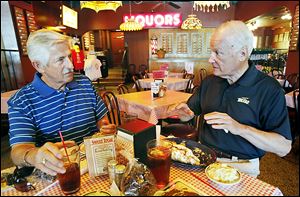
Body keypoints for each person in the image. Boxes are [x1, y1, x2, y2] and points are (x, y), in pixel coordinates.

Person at [167, 20, 292, 177]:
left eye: (218, 53)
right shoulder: (210, 82)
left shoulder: (269, 89)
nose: (210, 59)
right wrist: (186, 115)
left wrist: (240, 128)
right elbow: (191, 112)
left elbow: (284, 147)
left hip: (242, 166)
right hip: (202, 156)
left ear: (242, 53)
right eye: (212, 52)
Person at [8, 29, 116, 176]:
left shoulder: (84, 82)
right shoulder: (22, 102)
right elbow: (18, 151)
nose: (71, 65)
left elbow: (101, 119)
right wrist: (34, 155)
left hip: (96, 164)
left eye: (69, 57)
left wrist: (104, 127)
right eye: (60, 60)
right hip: (58, 171)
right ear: (39, 66)